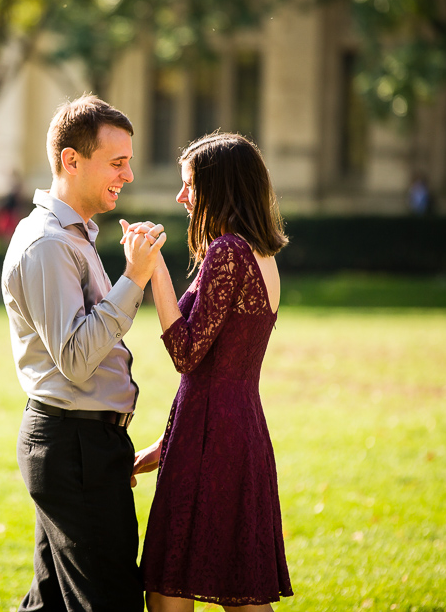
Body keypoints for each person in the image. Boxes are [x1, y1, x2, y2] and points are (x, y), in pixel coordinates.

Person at [1, 95, 166, 612]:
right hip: (74, 447)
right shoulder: (49, 243)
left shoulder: (74, 237)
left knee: (50, 605)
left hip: (84, 445)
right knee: (110, 602)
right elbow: (75, 358)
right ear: (71, 160)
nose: (130, 174)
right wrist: (133, 278)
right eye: (117, 163)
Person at [124, 132, 293, 611]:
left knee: (167, 590)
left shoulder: (227, 252)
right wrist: (162, 448)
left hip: (211, 441)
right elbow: (224, 372)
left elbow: (187, 354)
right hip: (241, 437)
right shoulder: (262, 257)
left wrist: (152, 269)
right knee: (241, 587)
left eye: (189, 185)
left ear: (220, 188)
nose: (181, 197)